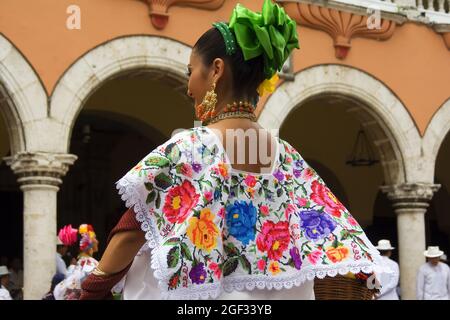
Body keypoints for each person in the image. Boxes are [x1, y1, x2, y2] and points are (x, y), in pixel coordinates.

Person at [80, 0, 385, 300]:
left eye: (190, 72)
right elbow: (333, 236)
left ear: (215, 70)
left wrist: (89, 291)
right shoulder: (288, 158)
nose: (189, 87)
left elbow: (131, 232)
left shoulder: (189, 148)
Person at [54, 224, 99, 300]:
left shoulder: (80, 264)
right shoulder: (89, 264)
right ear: (87, 243)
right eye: (94, 238)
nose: (97, 241)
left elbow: (58, 292)